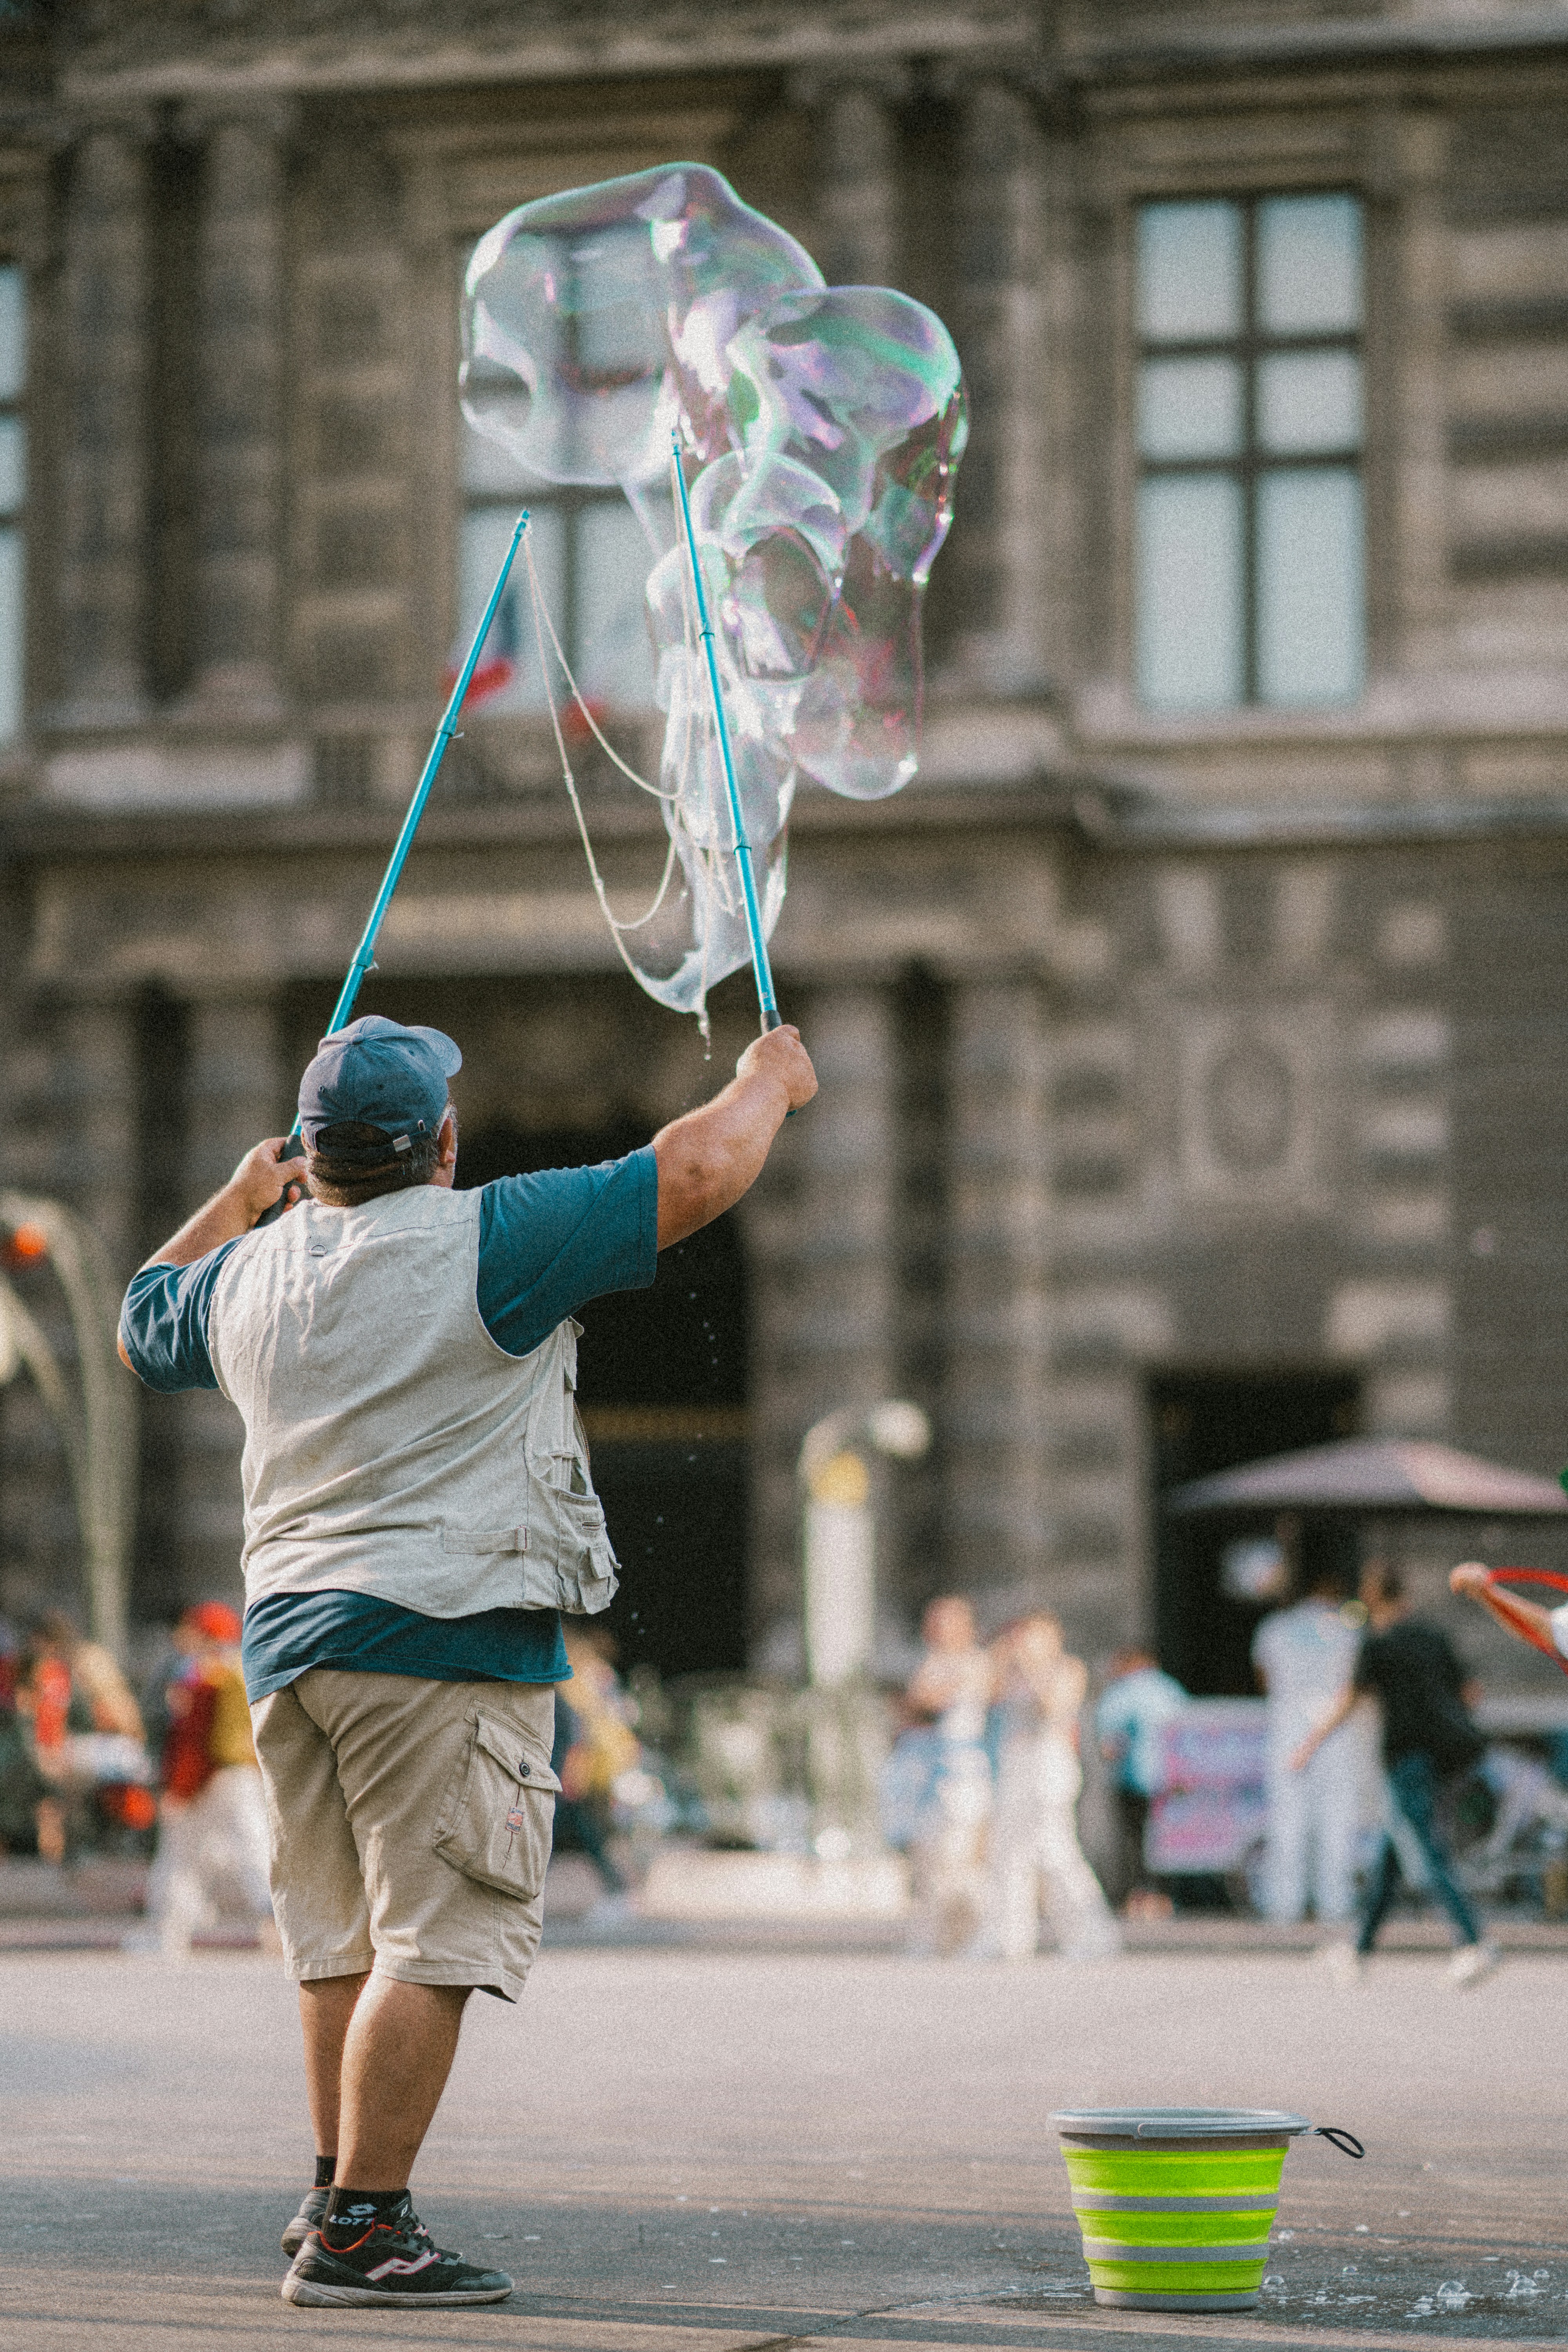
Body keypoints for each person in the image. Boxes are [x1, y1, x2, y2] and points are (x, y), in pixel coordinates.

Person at [118, 1009, 815, 2307]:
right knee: (433, 1943)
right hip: (437, 1636)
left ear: (312, 1158)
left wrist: (231, 1201)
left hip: (289, 1650)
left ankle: (336, 2186)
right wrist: (768, 1082)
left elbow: (137, 1318)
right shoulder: (488, 1237)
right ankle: (366, 2230)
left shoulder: (249, 1273)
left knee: (338, 1941)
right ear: (444, 1143)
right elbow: (698, 1173)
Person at [1293, 1561, 1497, 1984]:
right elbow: (1470, 1693)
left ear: (1372, 1597)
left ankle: (1473, 1942)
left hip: (1406, 1758)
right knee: (1391, 1857)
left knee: (1425, 1851)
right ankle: (1359, 1949)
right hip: (1446, 1755)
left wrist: (1309, 1745)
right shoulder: (1433, 1637)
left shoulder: (1378, 1644)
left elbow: (1347, 1701)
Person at [131, 1601, 276, 1956]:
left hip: (206, 1777)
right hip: (242, 1774)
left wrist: (179, 1788)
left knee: (179, 1856)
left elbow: (191, 1737)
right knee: (256, 1850)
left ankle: (168, 1934)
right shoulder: (247, 1667)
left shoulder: (200, 1673)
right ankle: (283, 1921)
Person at [978, 1613, 1119, 1961]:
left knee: (1056, 1851)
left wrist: (1029, 1666)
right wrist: (999, 1656)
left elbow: (1052, 1706)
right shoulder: (1009, 1671)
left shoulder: (1068, 1670)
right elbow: (984, 1696)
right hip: (1015, 1766)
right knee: (1009, 1856)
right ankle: (1008, 1938)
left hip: (1049, 1767)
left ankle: (1093, 1935)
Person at [1252, 1567, 1363, 1927]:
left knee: (1287, 1818)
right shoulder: (1351, 1630)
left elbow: (1265, 1678)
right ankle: (1336, 1902)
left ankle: (1284, 1904)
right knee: (1337, 1818)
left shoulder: (1274, 1628)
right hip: (1335, 1729)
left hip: (1288, 1727)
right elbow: (1357, 1685)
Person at [900, 1595, 994, 1955]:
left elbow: (930, 1699)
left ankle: (971, 1937)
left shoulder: (978, 1661)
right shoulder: (932, 1662)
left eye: (944, 1622)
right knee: (929, 1862)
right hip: (930, 1777)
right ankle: (933, 1938)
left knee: (963, 1861)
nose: (936, 1630)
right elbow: (915, 1702)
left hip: (965, 1777)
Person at [1094, 1647, 1186, 1916]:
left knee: (1135, 1843)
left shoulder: (1121, 1692)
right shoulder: (1170, 1689)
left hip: (1134, 1779)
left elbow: (1110, 1744)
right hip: (1169, 1780)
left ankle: (1140, 1898)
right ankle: (1163, 1898)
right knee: (1165, 1841)